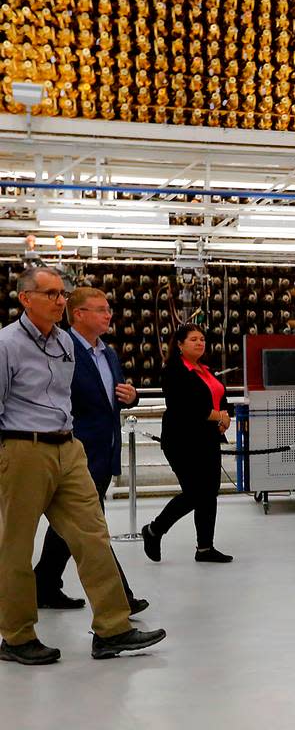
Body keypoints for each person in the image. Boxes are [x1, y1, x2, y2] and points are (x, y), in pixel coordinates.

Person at [0, 267, 166, 666]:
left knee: (93, 535)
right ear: (26, 299)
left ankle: (112, 628)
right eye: (51, 294)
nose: (60, 300)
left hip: (68, 447)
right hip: (24, 448)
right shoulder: (6, 344)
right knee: (16, 547)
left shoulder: (65, 344)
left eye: (63, 293)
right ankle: (17, 636)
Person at [34, 287, 149, 615]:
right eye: (99, 309)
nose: (108, 314)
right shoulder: (60, 350)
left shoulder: (108, 354)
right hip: (74, 453)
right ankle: (121, 599)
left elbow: (113, 395)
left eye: (108, 308)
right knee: (92, 527)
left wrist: (132, 396)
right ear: (79, 314)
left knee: (68, 525)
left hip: (104, 451)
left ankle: (43, 585)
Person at [142, 323, 234, 563]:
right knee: (195, 493)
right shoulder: (173, 371)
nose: (200, 343)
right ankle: (154, 530)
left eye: (202, 339)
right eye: (193, 339)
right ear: (180, 345)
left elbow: (221, 397)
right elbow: (189, 407)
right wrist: (219, 416)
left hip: (208, 439)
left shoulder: (205, 369)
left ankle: (205, 548)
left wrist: (226, 416)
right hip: (183, 441)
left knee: (209, 493)